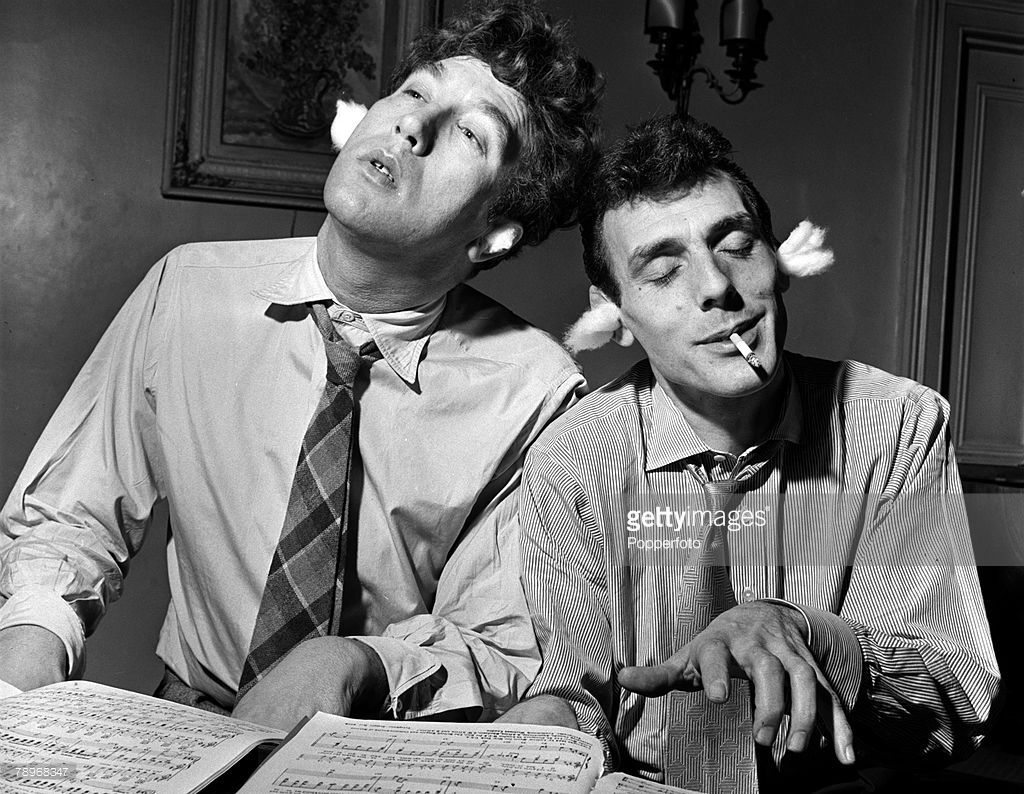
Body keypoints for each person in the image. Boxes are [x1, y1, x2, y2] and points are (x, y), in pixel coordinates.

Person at [0, 2, 602, 730]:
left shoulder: (537, 392)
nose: (415, 125)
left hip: (380, 753)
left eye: (472, 133)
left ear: (493, 235)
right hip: (183, 724)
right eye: (415, 91)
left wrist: (354, 662)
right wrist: (30, 648)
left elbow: (503, 643)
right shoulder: (187, 289)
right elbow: (71, 516)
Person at [500, 115, 999, 792]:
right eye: (663, 271)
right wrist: (544, 731)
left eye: (737, 245)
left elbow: (960, 699)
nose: (716, 286)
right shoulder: (571, 458)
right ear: (614, 314)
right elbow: (576, 692)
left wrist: (807, 634)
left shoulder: (898, 425)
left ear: (777, 262)